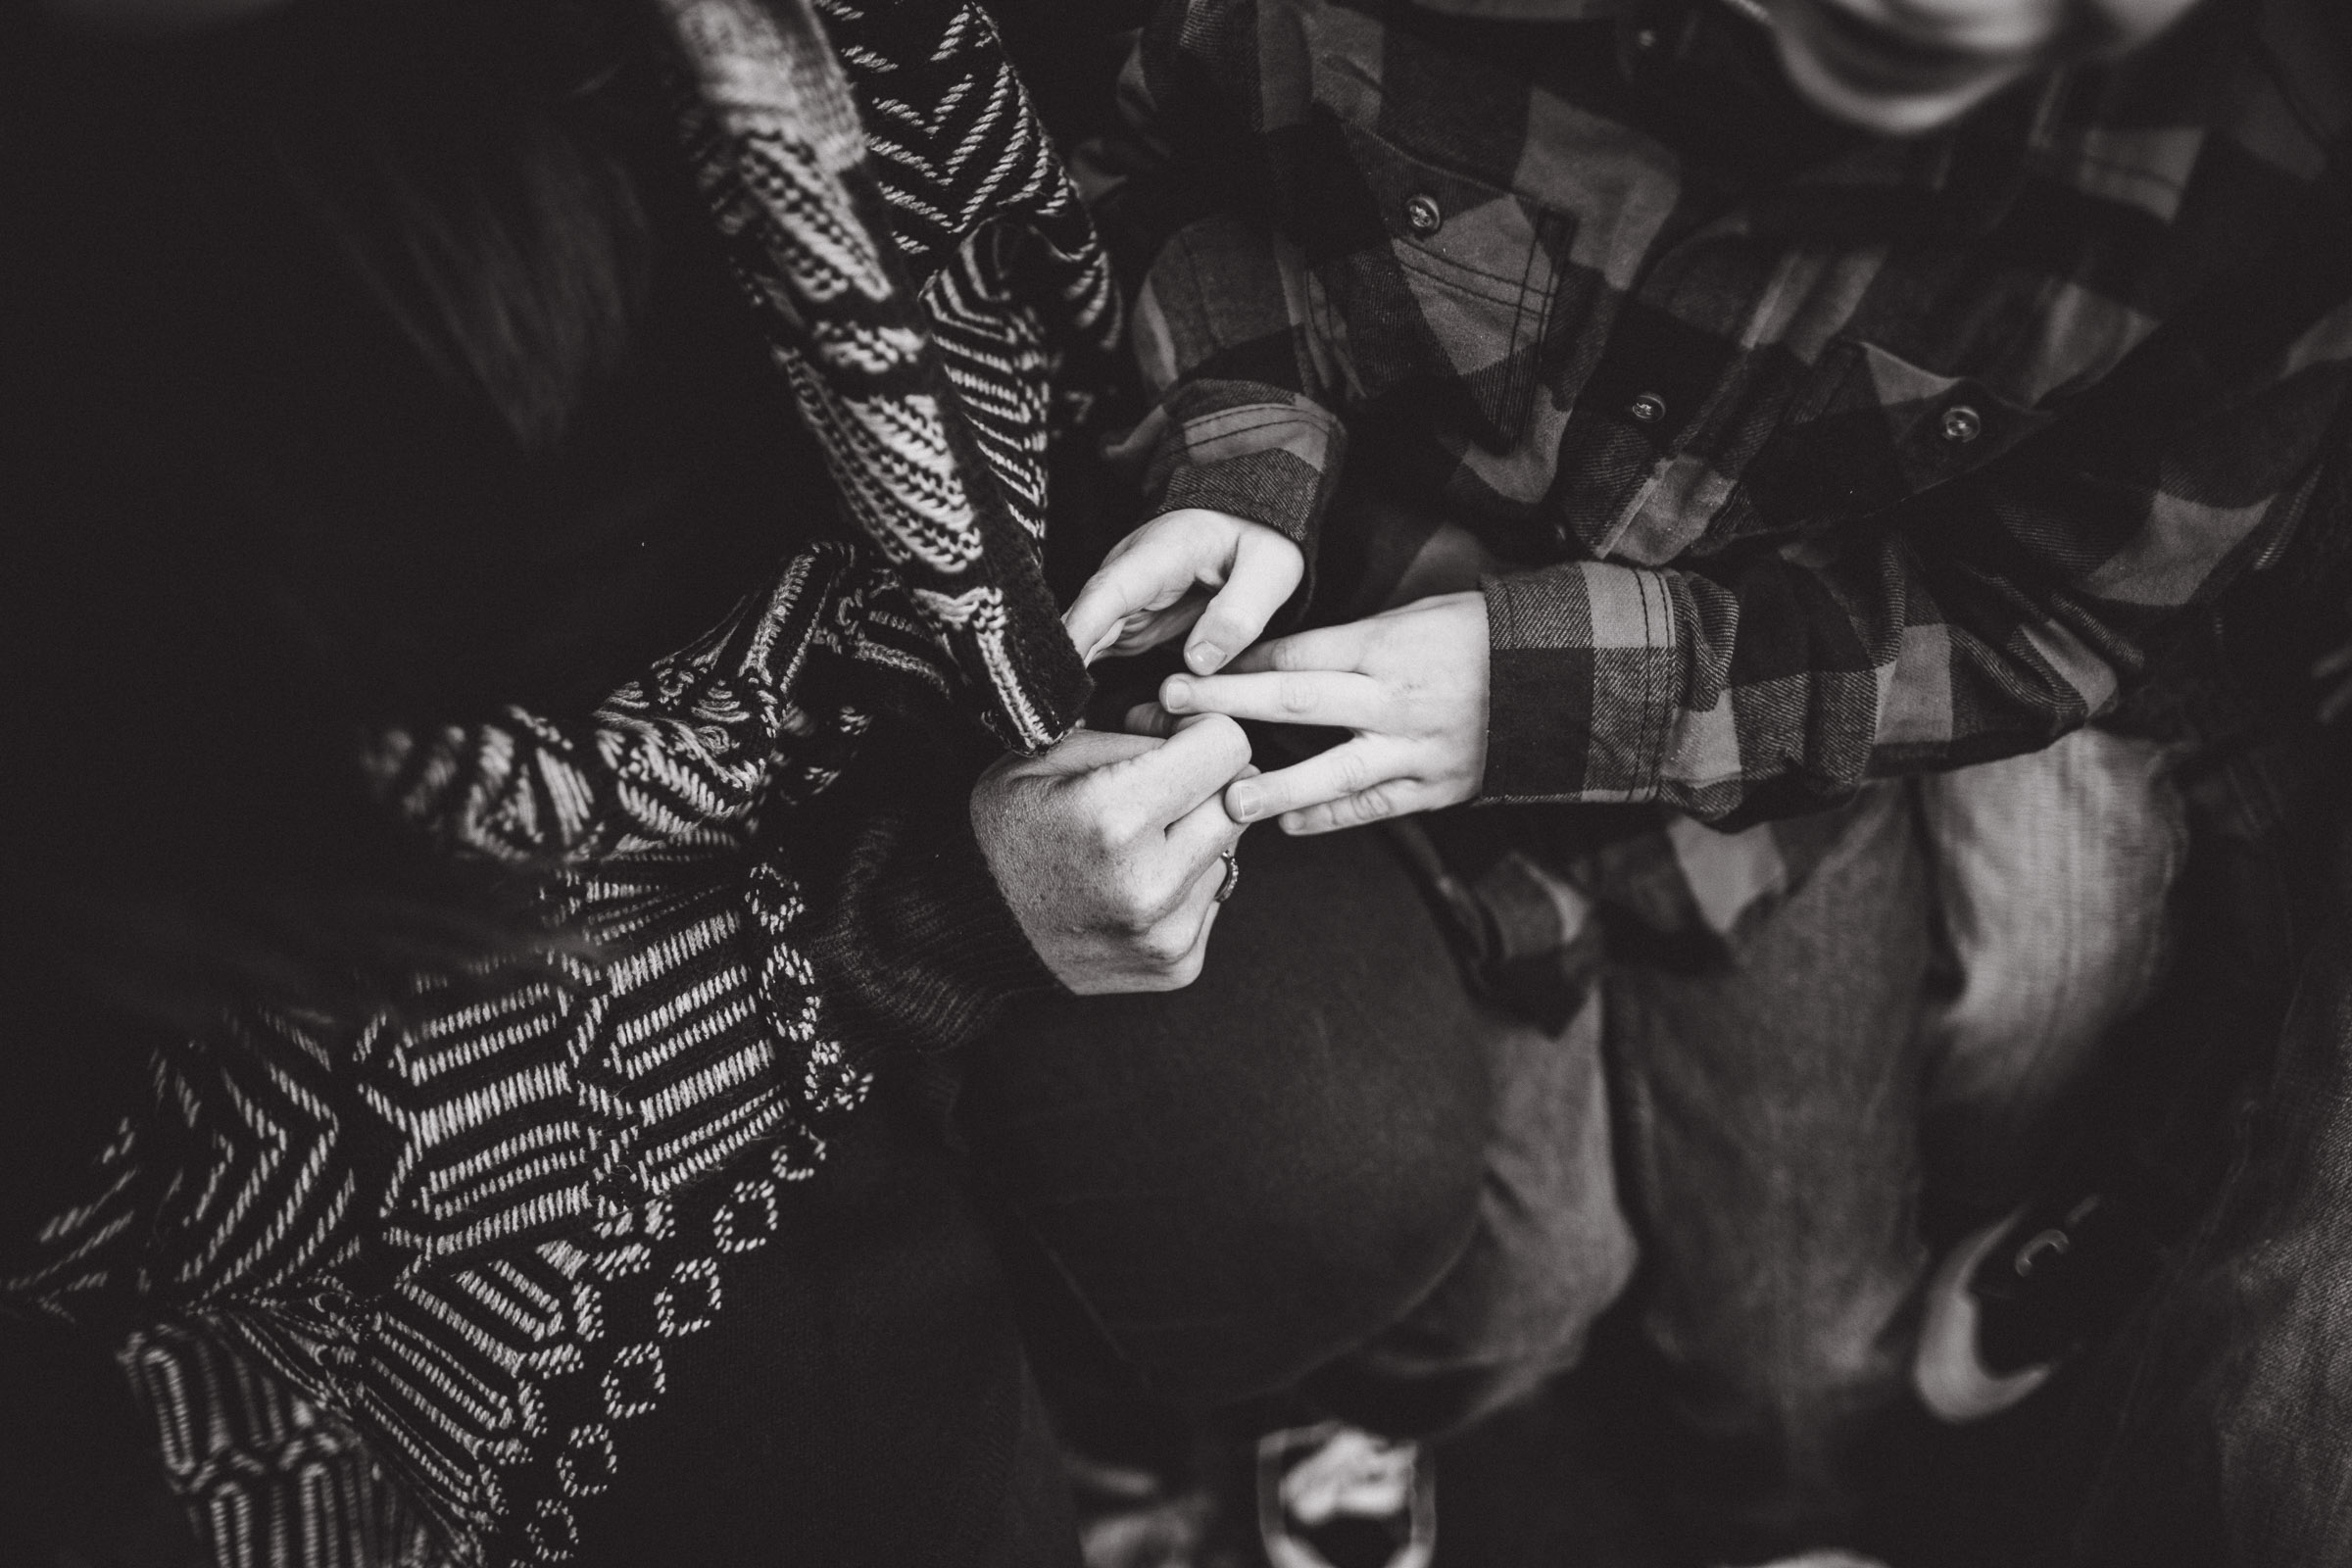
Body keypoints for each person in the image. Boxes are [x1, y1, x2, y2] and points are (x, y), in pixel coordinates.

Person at [0, 0, 1348, 1561]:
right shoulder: (122, 444)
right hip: (502, 1026)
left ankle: (1142, 1407)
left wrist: (1225, 458)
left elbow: (1100, 187)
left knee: (1330, 1183)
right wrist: (913, 929)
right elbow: (126, 1178)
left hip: (918, 692)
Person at [1038, 0, 2352, 1556]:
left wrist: (1576, 692)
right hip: (1348, 710)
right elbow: (1145, 174)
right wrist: (1244, 445)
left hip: (1777, 781)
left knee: (1806, 1372)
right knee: (1513, 1299)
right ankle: (1347, 1408)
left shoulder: (2268, 186)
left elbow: (2055, 612)